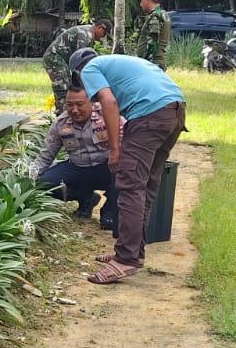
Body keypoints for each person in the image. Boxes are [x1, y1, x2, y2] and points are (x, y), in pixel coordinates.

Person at [66, 48, 186, 284]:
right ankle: (132, 251)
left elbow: (109, 102)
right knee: (145, 187)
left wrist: (114, 149)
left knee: (130, 187)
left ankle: (126, 259)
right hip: (175, 111)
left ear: (77, 72)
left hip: (149, 116)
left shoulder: (90, 69)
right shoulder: (122, 62)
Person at [31, 86, 118, 229]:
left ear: (91, 101)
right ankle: (86, 198)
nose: (74, 110)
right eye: (70, 105)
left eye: (79, 104)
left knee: (126, 171)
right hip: (78, 168)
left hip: (106, 167)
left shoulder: (107, 115)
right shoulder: (61, 123)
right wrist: (28, 180)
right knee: (44, 183)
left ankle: (109, 211)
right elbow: (46, 156)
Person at [42, 16, 112, 105]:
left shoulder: (88, 33)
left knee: (68, 85)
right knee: (62, 87)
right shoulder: (85, 34)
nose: (103, 37)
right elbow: (81, 60)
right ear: (100, 28)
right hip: (54, 58)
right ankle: (62, 113)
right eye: (104, 34)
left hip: (62, 60)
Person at [132, 0, 171, 68]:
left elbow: (153, 42)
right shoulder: (162, 13)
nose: (140, 4)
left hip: (152, 63)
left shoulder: (155, 16)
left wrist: (145, 61)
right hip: (157, 61)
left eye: (141, 0)